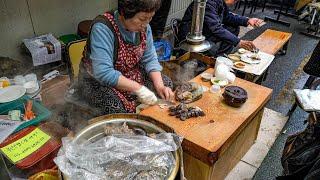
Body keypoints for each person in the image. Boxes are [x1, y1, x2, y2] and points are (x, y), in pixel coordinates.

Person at [78, 0, 174, 114]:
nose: (146, 24)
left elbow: (150, 59)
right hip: (96, 81)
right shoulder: (103, 28)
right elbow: (103, 73)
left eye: (150, 18)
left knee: (166, 85)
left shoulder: (144, 27)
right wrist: (138, 89)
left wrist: (160, 86)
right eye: (142, 19)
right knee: (115, 108)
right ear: (124, 13)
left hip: (130, 73)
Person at [179, 0, 264, 56]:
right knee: (227, 34)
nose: (236, 1)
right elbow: (215, 28)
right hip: (191, 35)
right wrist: (239, 42)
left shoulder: (220, 2)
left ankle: (220, 58)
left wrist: (247, 20)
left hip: (205, 30)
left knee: (233, 28)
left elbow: (227, 17)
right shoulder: (209, 3)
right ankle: (215, 60)